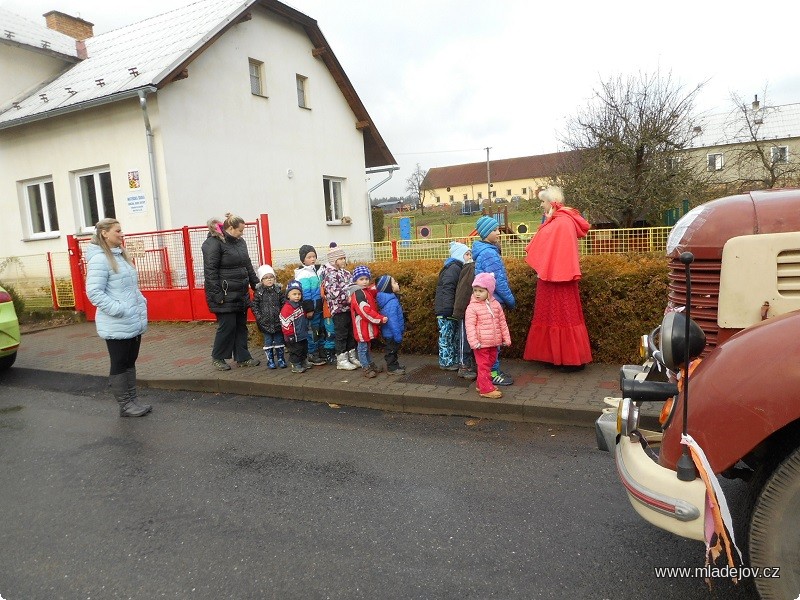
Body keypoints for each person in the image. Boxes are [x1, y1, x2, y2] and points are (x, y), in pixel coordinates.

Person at [85, 218, 152, 417]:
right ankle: (125, 405)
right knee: (120, 362)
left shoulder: (121, 256)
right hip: (117, 321)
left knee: (130, 361)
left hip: (132, 319)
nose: (122, 234)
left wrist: (140, 302)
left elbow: (130, 287)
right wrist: (119, 309)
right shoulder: (99, 259)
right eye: (118, 231)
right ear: (104, 233)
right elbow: (94, 292)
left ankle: (133, 401)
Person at [523, 186, 593, 371]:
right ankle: (555, 357)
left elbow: (547, 245)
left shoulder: (561, 222)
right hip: (554, 277)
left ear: (551, 202)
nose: (541, 205)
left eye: (543, 201)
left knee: (562, 317)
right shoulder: (559, 220)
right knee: (557, 316)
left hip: (558, 278)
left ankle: (569, 360)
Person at [202, 214, 261, 371]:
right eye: (240, 230)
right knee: (227, 327)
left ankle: (243, 357)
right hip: (224, 293)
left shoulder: (240, 242)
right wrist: (217, 294)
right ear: (230, 228)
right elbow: (210, 271)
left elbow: (247, 264)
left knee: (241, 326)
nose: (242, 233)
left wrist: (256, 284)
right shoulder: (213, 243)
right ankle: (218, 357)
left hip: (240, 292)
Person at [472, 215, 516, 386]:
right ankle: (493, 373)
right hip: (492, 304)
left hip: (488, 303)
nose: (498, 232)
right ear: (485, 233)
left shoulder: (485, 251)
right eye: (494, 230)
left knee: (491, 340)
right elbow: (499, 282)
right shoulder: (489, 253)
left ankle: (491, 371)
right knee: (493, 340)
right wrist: (511, 300)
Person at [464, 272, 511, 400]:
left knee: (489, 364)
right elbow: (470, 326)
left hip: (494, 343)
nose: (477, 293)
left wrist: (506, 338)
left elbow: (502, 322)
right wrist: (474, 342)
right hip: (481, 344)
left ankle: (481, 384)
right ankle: (486, 389)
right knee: (484, 365)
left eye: (481, 291)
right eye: (475, 290)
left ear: (489, 291)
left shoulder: (495, 305)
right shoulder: (472, 307)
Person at [322, 243, 360, 370]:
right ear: (334, 260)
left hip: (349, 308)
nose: (343, 260)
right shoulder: (329, 275)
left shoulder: (346, 273)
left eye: (344, 258)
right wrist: (348, 297)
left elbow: (352, 285)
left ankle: (352, 355)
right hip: (339, 310)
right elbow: (334, 293)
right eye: (340, 259)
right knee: (341, 334)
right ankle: (341, 359)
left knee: (350, 333)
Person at [434, 241, 470, 371]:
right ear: (460, 255)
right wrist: (450, 308)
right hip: (446, 310)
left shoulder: (457, 267)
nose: (469, 256)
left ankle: (452, 359)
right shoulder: (454, 268)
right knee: (446, 336)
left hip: (450, 309)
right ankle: (446, 362)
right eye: (467, 254)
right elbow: (448, 288)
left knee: (453, 336)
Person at [349, 265, 387, 378]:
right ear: (355, 280)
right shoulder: (359, 294)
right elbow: (365, 311)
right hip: (362, 326)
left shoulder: (365, 291)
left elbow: (373, 290)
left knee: (367, 346)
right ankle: (366, 367)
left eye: (366, 279)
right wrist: (379, 318)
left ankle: (370, 364)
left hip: (366, 325)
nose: (365, 281)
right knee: (362, 348)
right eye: (361, 279)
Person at [294, 244, 327, 366]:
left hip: (319, 307)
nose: (312, 259)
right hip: (312, 309)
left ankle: (321, 350)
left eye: (314, 256)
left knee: (320, 330)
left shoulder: (317, 271)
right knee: (313, 331)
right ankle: (312, 353)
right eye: (309, 257)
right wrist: (309, 309)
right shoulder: (304, 274)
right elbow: (306, 294)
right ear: (303, 259)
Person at [251, 264, 286, 369]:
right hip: (265, 323)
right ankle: (270, 360)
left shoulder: (279, 291)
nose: (269, 280)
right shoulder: (259, 293)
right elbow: (254, 306)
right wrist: (259, 317)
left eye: (271, 277)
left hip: (277, 322)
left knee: (279, 341)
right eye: (266, 278)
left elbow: (284, 304)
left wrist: (282, 315)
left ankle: (281, 359)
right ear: (262, 280)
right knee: (268, 342)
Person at [451, 246, 477, 381]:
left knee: (469, 337)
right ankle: (463, 364)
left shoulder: (468, 267)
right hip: (465, 309)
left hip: (470, 309)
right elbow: (463, 291)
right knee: (464, 338)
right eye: (466, 254)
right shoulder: (470, 268)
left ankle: (467, 363)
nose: (469, 256)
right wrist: (460, 311)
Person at [375, 274, 405, 375]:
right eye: (394, 282)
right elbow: (392, 320)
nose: (397, 283)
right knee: (391, 351)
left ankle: (395, 365)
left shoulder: (391, 299)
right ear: (389, 287)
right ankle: (392, 368)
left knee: (394, 350)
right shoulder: (391, 302)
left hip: (392, 332)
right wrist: (397, 335)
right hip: (391, 333)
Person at [280, 279, 309, 373]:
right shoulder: (287, 308)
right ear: (288, 295)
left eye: (299, 294)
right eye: (294, 294)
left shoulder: (299, 305)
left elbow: (303, 317)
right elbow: (285, 323)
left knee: (303, 348)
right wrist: (289, 334)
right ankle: (295, 364)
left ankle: (303, 361)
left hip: (301, 333)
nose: (297, 296)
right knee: (295, 350)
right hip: (293, 335)